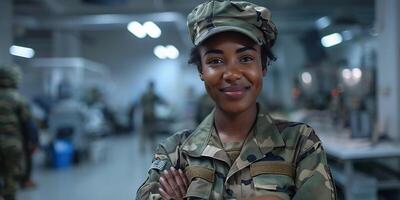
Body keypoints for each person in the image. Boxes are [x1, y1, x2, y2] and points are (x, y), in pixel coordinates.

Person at [137, 1, 336, 199]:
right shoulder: (175, 151)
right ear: (201, 71)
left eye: (246, 58)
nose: (232, 74)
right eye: (215, 61)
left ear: (263, 66)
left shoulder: (301, 143)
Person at [0, 64, 38, 200]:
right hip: (12, 144)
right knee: (11, 177)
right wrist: (34, 142)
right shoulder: (18, 99)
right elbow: (29, 125)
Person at [139, 81, 167, 152]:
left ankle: (143, 148)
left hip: (145, 115)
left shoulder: (145, 95)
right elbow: (162, 101)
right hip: (150, 115)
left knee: (145, 132)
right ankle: (151, 147)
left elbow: (140, 104)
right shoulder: (153, 95)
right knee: (151, 132)